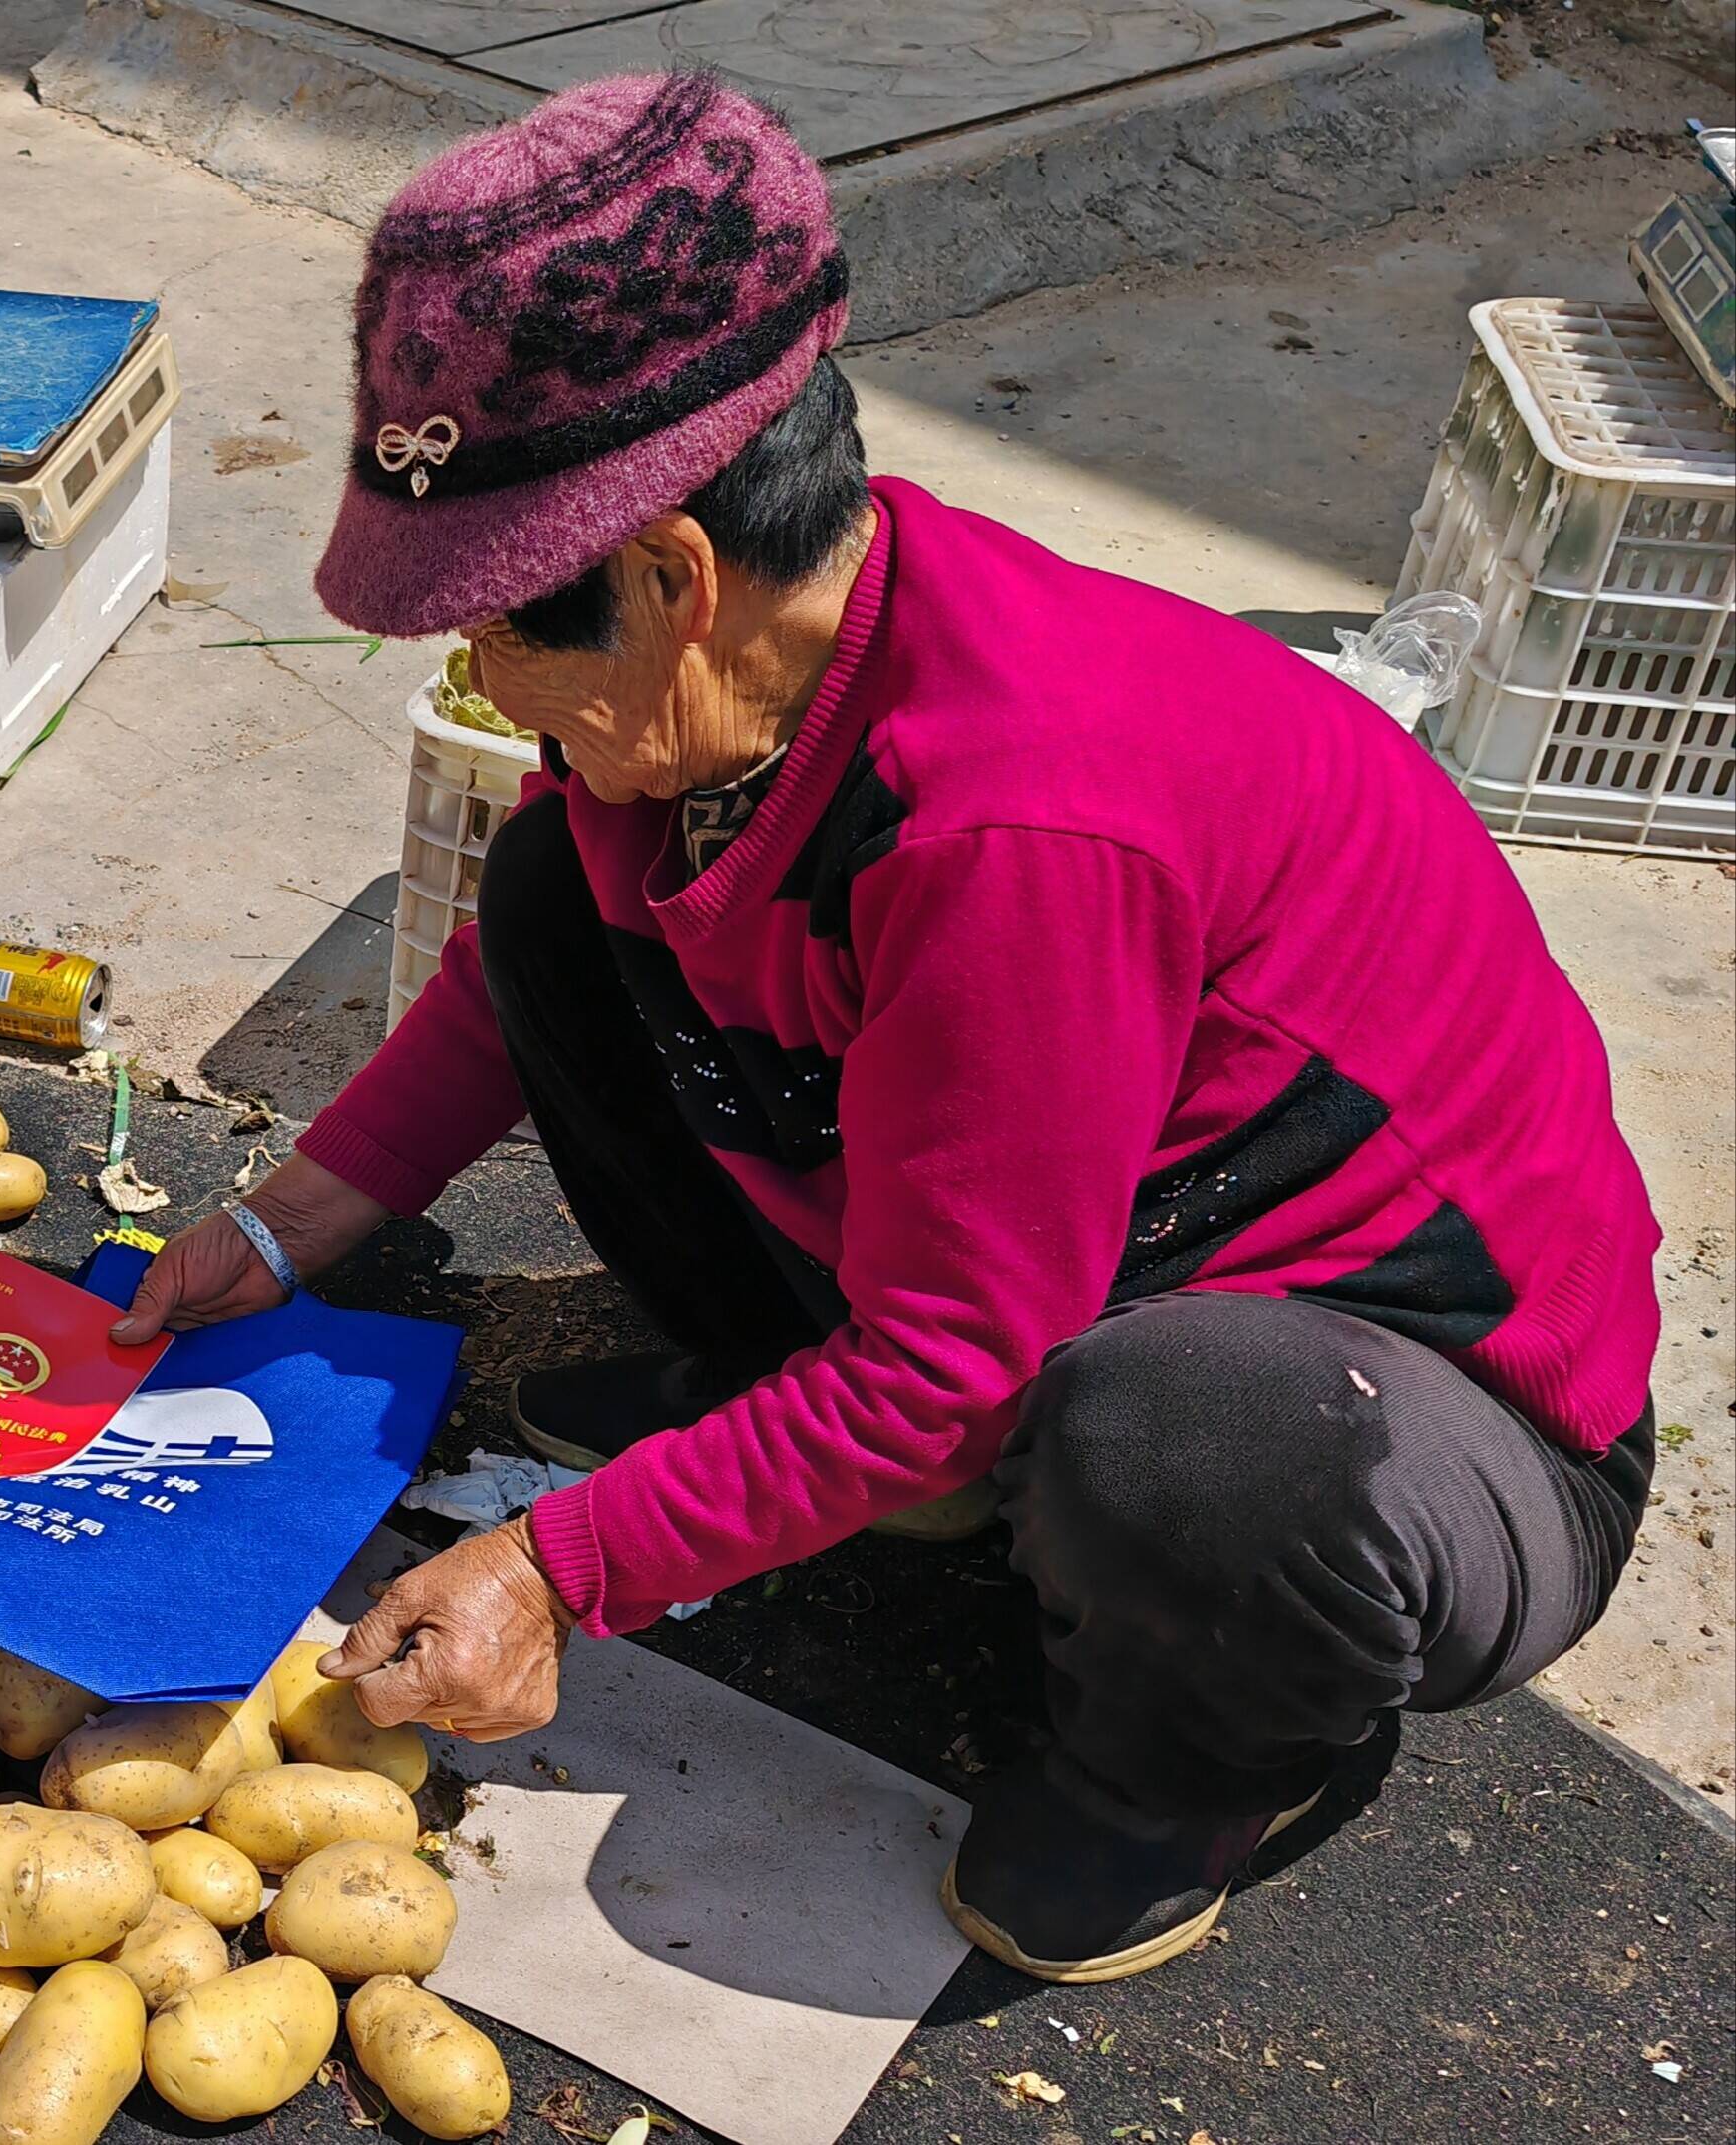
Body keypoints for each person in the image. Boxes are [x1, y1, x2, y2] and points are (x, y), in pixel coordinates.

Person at [117, 76, 1662, 1986]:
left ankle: (1182, 1767)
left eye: (504, 631)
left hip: (1404, 1413)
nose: (477, 678)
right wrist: (290, 1222)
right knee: (546, 903)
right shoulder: (753, 673)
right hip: (1050, 1272)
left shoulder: (1018, 819)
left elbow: (954, 1344)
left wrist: (560, 1563)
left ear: (675, 578)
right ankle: (889, 1477)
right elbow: (510, 993)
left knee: (1189, 1443)